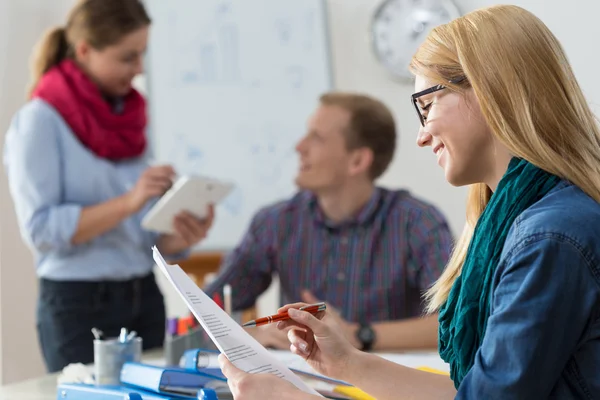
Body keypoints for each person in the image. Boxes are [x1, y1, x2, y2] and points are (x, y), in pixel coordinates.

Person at [217, 4, 600, 399]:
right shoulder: (533, 221)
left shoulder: (548, 237)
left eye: (428, 105)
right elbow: (471, 391)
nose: (421, 136)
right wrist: (347, 362)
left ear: (489, 91)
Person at [4, 0, 213, 373]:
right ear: (85, 50)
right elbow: (40, 231)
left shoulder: (129, 118)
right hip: (78, 305)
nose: (138, 69)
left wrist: (176, 237)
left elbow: (137, 235)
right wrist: (130, 201)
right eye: (127, 57)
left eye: (142, 56)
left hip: (143, 295)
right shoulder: (39, 122)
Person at [205, 92, 453, 352]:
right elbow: (208, 309)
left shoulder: (418, 222)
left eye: (317, 138)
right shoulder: (274, 222)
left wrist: (356, 336)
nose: (299, 146)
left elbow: (455, 322)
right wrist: (254, 335)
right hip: (301, 381)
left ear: (357, 161)